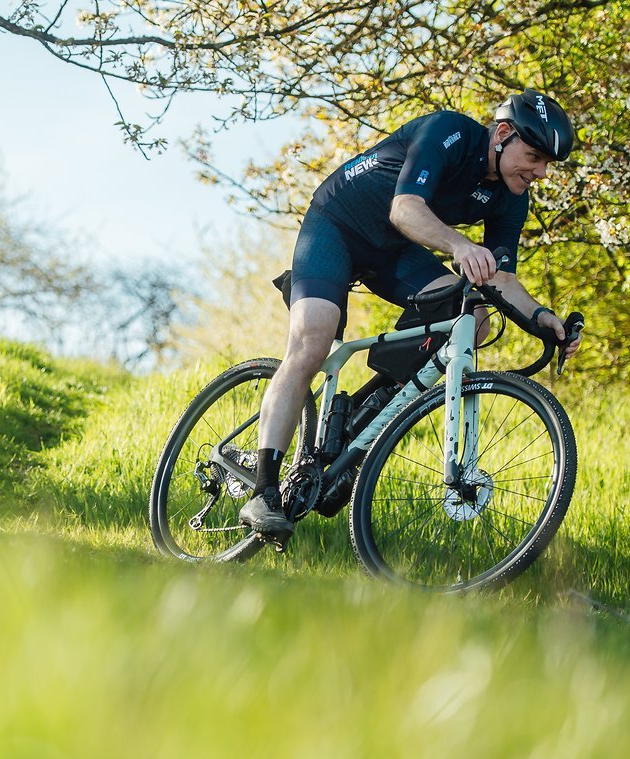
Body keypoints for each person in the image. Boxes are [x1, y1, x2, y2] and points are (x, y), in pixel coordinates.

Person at [239, 89, 584, 544]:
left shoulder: (510, 196)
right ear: (502, 134)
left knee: (474, 319)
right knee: (312, 341)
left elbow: (501, 278)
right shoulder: (449, 133)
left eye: (547, 164)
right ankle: (263, 490)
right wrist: (459, 245)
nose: (539, 172)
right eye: (534, 156)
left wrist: (544, 320)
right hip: (338, 226)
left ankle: (364, 416)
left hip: (393, 251)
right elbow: (405, 209)